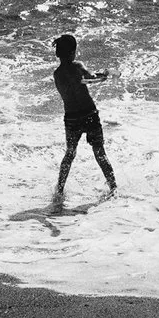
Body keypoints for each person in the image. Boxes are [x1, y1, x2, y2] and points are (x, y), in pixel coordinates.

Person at [51, 33, 116, 201]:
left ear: (58, 53)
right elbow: (91, 78)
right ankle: (113, 187)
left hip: (71, 118)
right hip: (89, 114)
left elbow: (71, 88)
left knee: (70, 153)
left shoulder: (57, 74)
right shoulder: (78, 66)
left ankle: (59, 190)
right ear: (73, 52)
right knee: (99, 152)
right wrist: (105, 74)